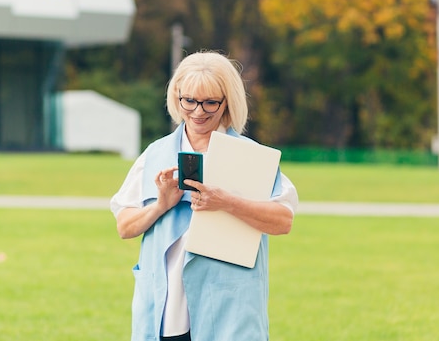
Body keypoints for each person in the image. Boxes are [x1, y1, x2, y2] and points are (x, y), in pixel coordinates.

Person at [110, 51, 298, 341]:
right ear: (177, 97)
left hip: (228, 310)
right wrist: (161, 206)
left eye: (210, 102)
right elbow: (125, 227)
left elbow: (283, 221)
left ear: (227, 102)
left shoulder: (251, 158)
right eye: (190, 101)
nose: (198, 112)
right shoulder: (155, 154)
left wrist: (227, 202)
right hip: (165, 310)